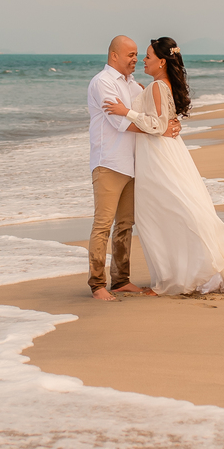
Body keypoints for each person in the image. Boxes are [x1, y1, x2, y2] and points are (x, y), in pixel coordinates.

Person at [104, 37, 224, 296]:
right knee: (174, 210)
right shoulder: (160, 85)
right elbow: (167, 121)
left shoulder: (158, 86)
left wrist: (126, 112)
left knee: (163, 213)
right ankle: (183, 272)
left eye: (147, 56)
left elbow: (157, 126)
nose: (142, 60)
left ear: (161, 62)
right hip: (167, 152)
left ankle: (174, 278)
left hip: (158, 156)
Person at [86, 35, 180, 302]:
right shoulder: (102, 83)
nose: (135, 59)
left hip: (134, 164)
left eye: (138, 55)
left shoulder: (134, 86)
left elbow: (155, 115)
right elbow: (121, 123)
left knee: (125, 224)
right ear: (114, 55)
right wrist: (161, 130)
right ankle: (97, 284)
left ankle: (121, 280)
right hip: (109, 162)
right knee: (103, 224)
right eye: (130, 55)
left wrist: (172, 124)